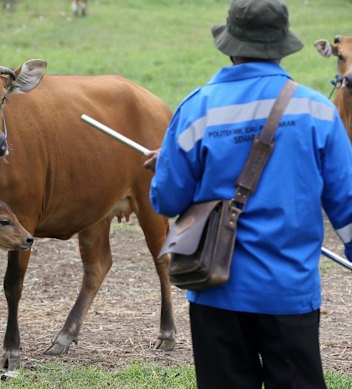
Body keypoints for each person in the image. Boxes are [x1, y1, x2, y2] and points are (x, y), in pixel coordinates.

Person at [145, 0, 352, 388]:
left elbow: (167, 201)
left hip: (214, 292)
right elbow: (348, 208)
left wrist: (166, 167)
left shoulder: (197, 108)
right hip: (290, 293)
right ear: (281, 46)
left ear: (229, 45)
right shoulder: (318, 111)